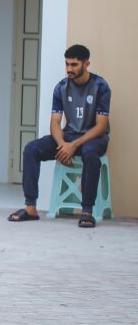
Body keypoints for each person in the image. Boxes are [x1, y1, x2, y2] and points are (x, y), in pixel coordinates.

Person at [9, 44, 111, 229]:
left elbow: (101, 126)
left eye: (74, 64)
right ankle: (30, 208)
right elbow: (55, 122)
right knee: (31, 149)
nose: (69, 69)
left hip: (94, 139)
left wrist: (73, 145)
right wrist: (63, 144)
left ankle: (87, 211)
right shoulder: (61, 87)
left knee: (90, 154)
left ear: (86, 64)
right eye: (67, 64)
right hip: (68, 137)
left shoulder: (101, 86)